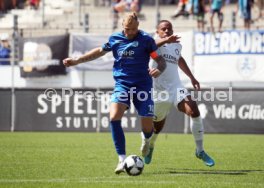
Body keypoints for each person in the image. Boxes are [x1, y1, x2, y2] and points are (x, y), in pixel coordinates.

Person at [63, 13, 166, 174]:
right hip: (122, 84)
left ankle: (146, 139)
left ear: (138, 26)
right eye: (126, 29)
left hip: (142, 87)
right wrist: (77, 61)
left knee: (147, 126)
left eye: (132, 29)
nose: (129, 32)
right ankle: (121, 159)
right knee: (113, 117)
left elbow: (159, 60)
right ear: (122, 26)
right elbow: (99, 52)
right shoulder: (115, 39)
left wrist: (159, 69)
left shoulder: (146, 40)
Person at [146, 20, 215, 167]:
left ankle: (200, 150)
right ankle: (151, 145)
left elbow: (179, 59)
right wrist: (165, 40)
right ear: (157, 31)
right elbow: (148, 48)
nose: (166, 31)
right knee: (157, 127)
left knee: (194, 110)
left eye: (169, 29)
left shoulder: (176, 45)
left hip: (176, 87)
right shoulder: (152, 42)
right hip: (158, 91)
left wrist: (191, 77)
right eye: (163, 29)